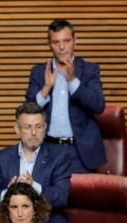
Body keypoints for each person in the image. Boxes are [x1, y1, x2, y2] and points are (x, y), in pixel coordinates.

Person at [0, 101, 73, 223]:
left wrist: (34, 187)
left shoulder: (59, 157)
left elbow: (62, 196)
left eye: (38, 127)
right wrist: (8, 193)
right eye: (27, 127)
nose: (33, 132)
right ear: (17, 129)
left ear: (45, 128)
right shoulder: (3, 158)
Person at [25, 19, 106, 174]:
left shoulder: (89, 70)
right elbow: (26, 112)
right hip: (48, 149)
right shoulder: (38, 72)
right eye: (56, 42)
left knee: (81, 198)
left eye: (66, 41)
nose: (61, 47)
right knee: (48, 197)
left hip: (80, 152)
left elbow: (98, 105)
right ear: (49, 44)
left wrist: (73, 81)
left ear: (75, 41)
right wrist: (46, 88)